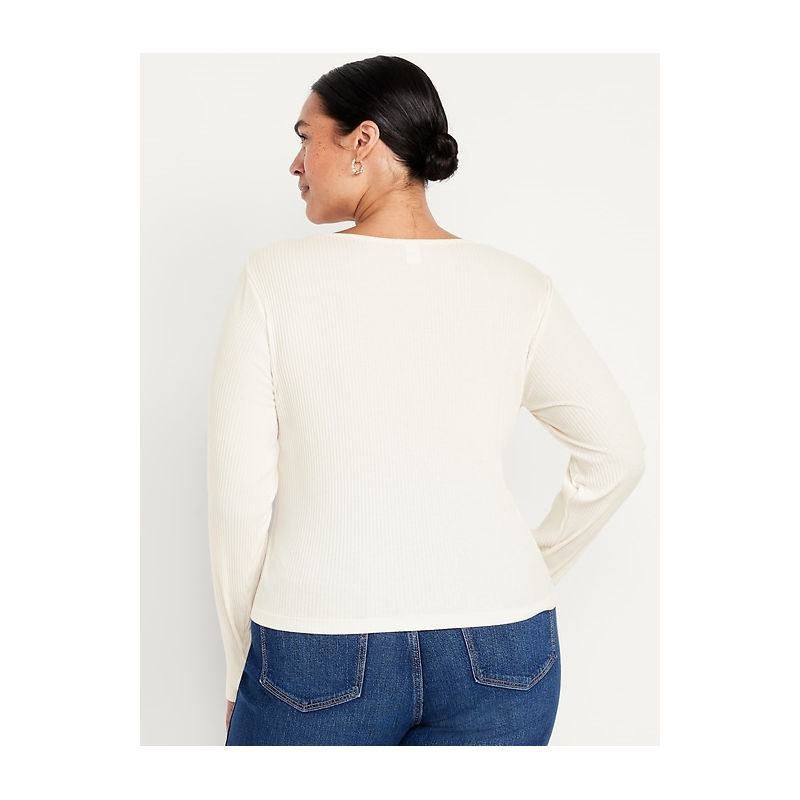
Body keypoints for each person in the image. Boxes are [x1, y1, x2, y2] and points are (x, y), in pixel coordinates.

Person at [207, 54, 645, 747]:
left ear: (363, 139)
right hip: (505, 644)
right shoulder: (518, 285)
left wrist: (240, 661)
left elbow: (238, 499)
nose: (295, 164)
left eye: (305, 137)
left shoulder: (274, 278)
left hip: (318, 646)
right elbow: (617, 454)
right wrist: (529, 571)